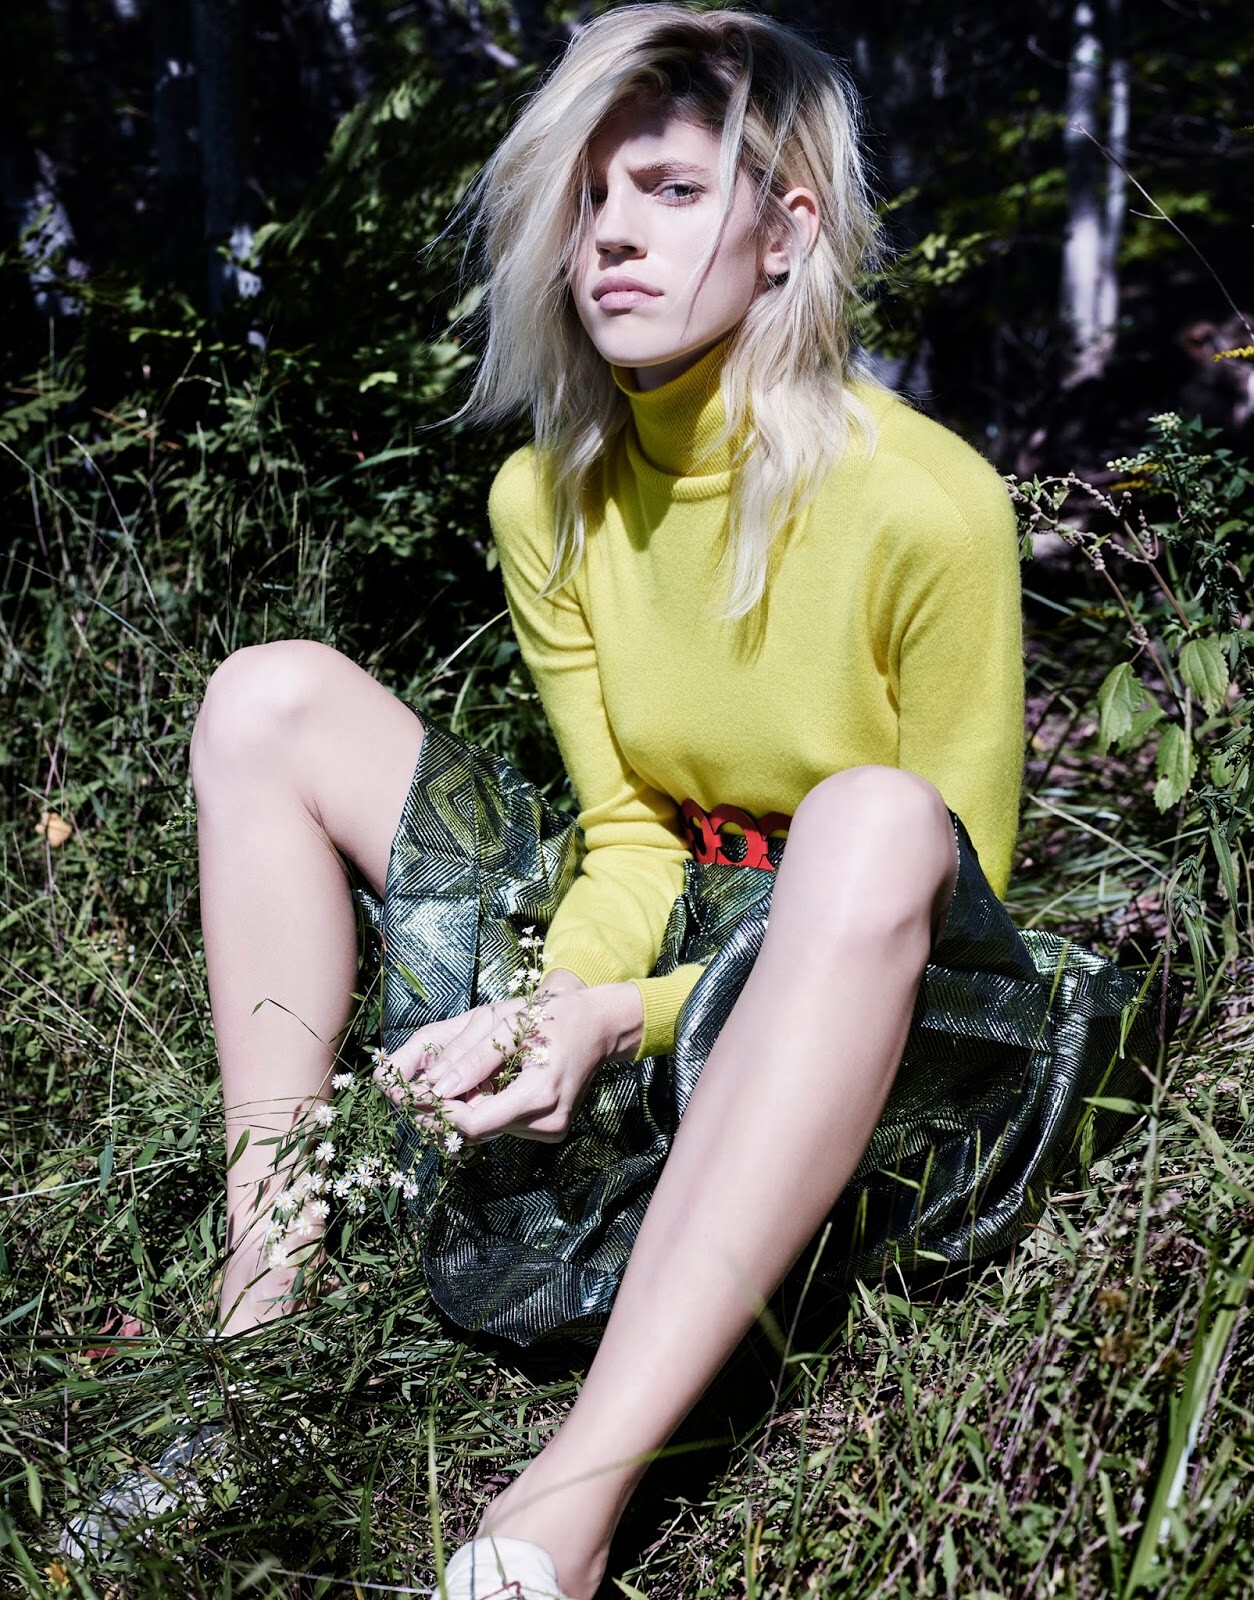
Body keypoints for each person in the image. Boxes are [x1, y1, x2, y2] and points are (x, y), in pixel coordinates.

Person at [63, 6, 1175, 1596]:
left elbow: (955, 904)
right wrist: (555, 1009)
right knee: (268, 693)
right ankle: (254, 1354)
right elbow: (634, 832)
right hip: (661, 947)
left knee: (871, 818)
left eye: (665, 189)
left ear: (786, 229)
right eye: (585, 199)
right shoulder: (551, 495)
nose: (609, 238)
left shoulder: (926, 503)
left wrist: (619, 1019)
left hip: (879, 995)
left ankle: (558, 1519)